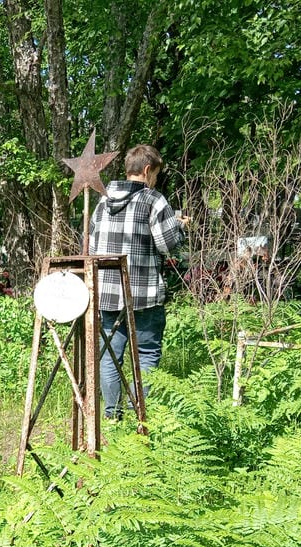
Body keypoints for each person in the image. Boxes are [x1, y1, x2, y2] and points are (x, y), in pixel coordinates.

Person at [89, 144, 186, 418]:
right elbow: (168, 245)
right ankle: (138, 414)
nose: (155, 178)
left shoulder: (102, 201)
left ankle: (111, 416)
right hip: (143, 296)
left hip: (107, 295)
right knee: (146, 354)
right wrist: (178, 225)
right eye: (155, 173)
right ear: (147, 170)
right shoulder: (154, 200)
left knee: (110, 357)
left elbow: (92, 247)